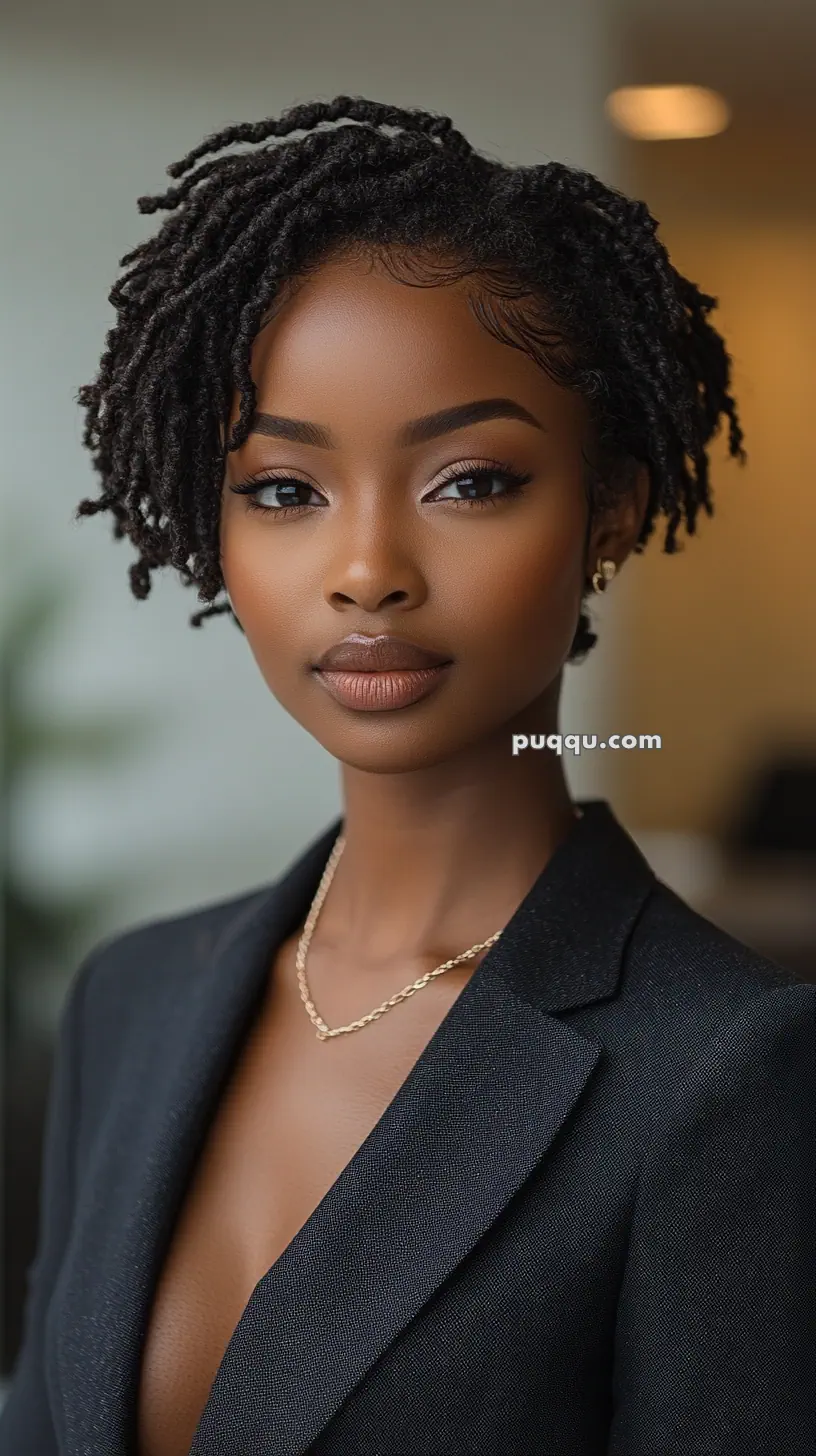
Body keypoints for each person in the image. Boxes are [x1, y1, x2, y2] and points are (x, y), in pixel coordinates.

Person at [1, 96, 813, 1456]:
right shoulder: (133, 1001)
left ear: (610, 502)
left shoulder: (725, 1070)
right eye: (283, 490)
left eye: (471, 480)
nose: (367, 566)